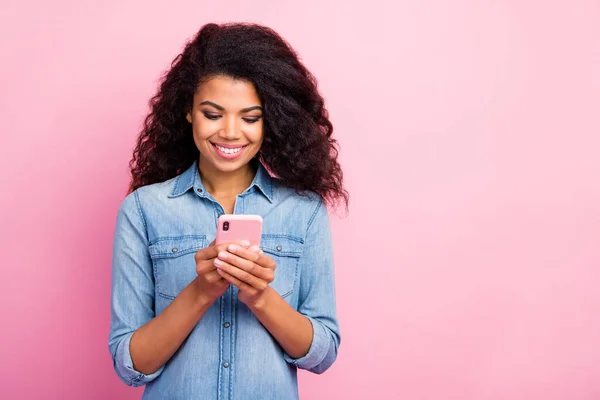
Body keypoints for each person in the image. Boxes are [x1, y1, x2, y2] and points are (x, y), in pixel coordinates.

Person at [108, 22, 348, 400]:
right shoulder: (143, 210)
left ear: (273, 120)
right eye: (212, 114)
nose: (231, 132)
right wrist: (201, 291)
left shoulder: (304, 211)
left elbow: (322, 355)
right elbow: (129, 364)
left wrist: (261, 298)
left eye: (250, 118)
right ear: (188, 111)